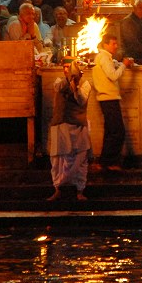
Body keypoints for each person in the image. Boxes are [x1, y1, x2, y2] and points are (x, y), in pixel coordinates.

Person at [48, 58, 91, 201]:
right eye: (65, 67)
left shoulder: (85, 84)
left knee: (80, 159)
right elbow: (59, 88)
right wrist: (69, 81)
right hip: (60, 125)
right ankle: (58, 188)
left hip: (78, 126)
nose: (68, 70)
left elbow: (81, 100)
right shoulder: (59, 81)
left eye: (70, 67)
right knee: (57, 159)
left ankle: (80, 190)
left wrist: (76, 86)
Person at [92, 33, 132, 172]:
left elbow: (112, 66)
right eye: (113, 44)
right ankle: (109, 162)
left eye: (116, 43)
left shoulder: (104, 57)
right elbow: (113, 76)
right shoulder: (104, 57)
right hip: (108, 98)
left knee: (110, 131)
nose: (116, 46)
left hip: (107, 98)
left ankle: (104, 161)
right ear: (105, 45)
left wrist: (121, 64)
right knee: (117, 132)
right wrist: (124, 66)